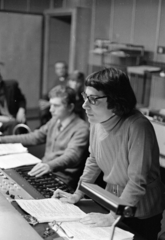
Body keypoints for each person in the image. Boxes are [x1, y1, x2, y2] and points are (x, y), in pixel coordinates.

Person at [52, 67, 165, 240]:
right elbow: (93, 161)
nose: (84, 105)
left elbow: (136, 181)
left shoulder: (138, 127)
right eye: (85, 97)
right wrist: (78, 193)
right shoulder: (97, 121)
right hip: (114, 203)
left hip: (140, 213)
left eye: (93, 99)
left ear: (115, 100)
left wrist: (112, 216)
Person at [0, 85, 89, 189]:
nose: (51, 110)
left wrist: (49, 165)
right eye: (50, 105)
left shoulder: (81, 128)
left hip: (62, 181)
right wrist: (2, 140)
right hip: (45, 172)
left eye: (56, 106)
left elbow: (72, 156)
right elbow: (33, 137)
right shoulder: (55, 121)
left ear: (70, 107)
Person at [39, 61, 69, 126]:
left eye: (62, 68)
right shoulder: (57, 80)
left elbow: (64, 97)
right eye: (58, 68)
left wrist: (48, 103)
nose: (60, 70)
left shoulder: (69, 81)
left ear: (66, 69)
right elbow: (51, 91)